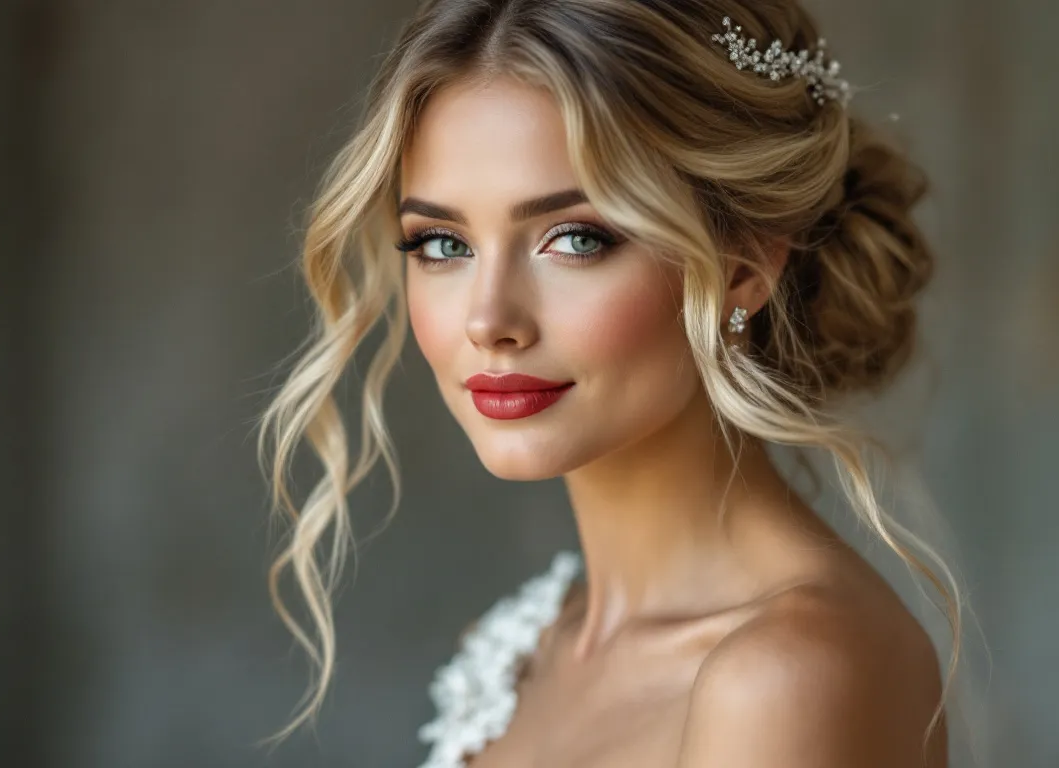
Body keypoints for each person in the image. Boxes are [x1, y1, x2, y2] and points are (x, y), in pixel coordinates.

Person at [257, 1, 966, 765]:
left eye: (576, 238)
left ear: (742, 267)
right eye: (441, 243)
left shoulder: (787, 677)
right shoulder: (524, 646)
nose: (489, 319)